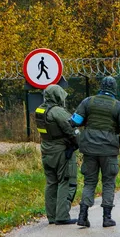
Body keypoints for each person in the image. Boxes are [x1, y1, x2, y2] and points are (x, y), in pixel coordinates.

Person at [71, 76, 120, 228]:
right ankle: (107, 218)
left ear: (101, 87)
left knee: (90, 182)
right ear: (114, 89)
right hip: (109, 150)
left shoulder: (88, 102)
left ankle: (83, 215)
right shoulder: (118, 106)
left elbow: (75, 121)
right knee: (108, 182)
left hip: (89, 149)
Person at [34, 82, 78, 225]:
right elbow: (71, 128)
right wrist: (79, 142)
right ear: (57, 96)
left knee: (51, 182)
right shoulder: (57, 111)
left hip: (46, 149)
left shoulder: (40, 110)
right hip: (61, 150)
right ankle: (62, 215)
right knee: (65, 180)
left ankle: (51, 216)